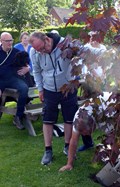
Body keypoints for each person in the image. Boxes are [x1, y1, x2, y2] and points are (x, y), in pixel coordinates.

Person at [29, 31, 79, 165]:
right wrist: (40, 89)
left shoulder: (65, 44)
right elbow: (37, 71)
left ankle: (68, 146)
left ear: (47, 39)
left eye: (42, 48)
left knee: (69, 118)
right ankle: (48, 150)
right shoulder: (35, 52)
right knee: (48, 119)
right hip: (49, 89)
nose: (41, 52)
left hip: (68, 87)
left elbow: (81, 57)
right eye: (37, 50)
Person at [0, 32, 30, 130]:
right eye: (7, 41)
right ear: (1, 41)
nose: (10, 42)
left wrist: (28, 68)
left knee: (24, 88)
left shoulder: (17, 52)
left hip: (13, 79)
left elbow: (27, 64)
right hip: (1, 80)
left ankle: (18, 117)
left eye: (11, 40)